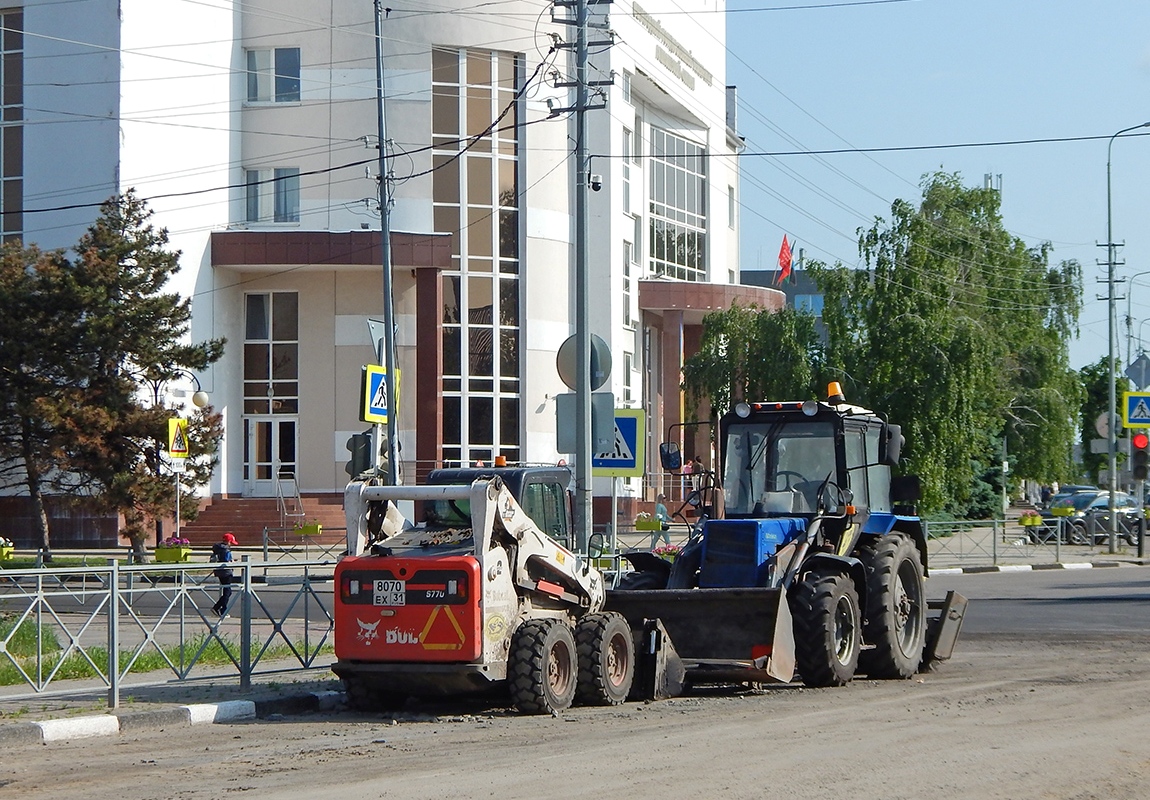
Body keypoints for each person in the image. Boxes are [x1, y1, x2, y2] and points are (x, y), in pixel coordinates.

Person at [211, 532, 237, 617]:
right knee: (228, 592)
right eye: (231, 543)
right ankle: (220, 608)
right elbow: (226, 560)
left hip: (219, 571)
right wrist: (232, 562)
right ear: (228, 542)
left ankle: (222, 609)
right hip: (226, 572)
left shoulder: (217, 548)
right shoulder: (226, 550)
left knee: (226, 590)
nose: (231, 545)